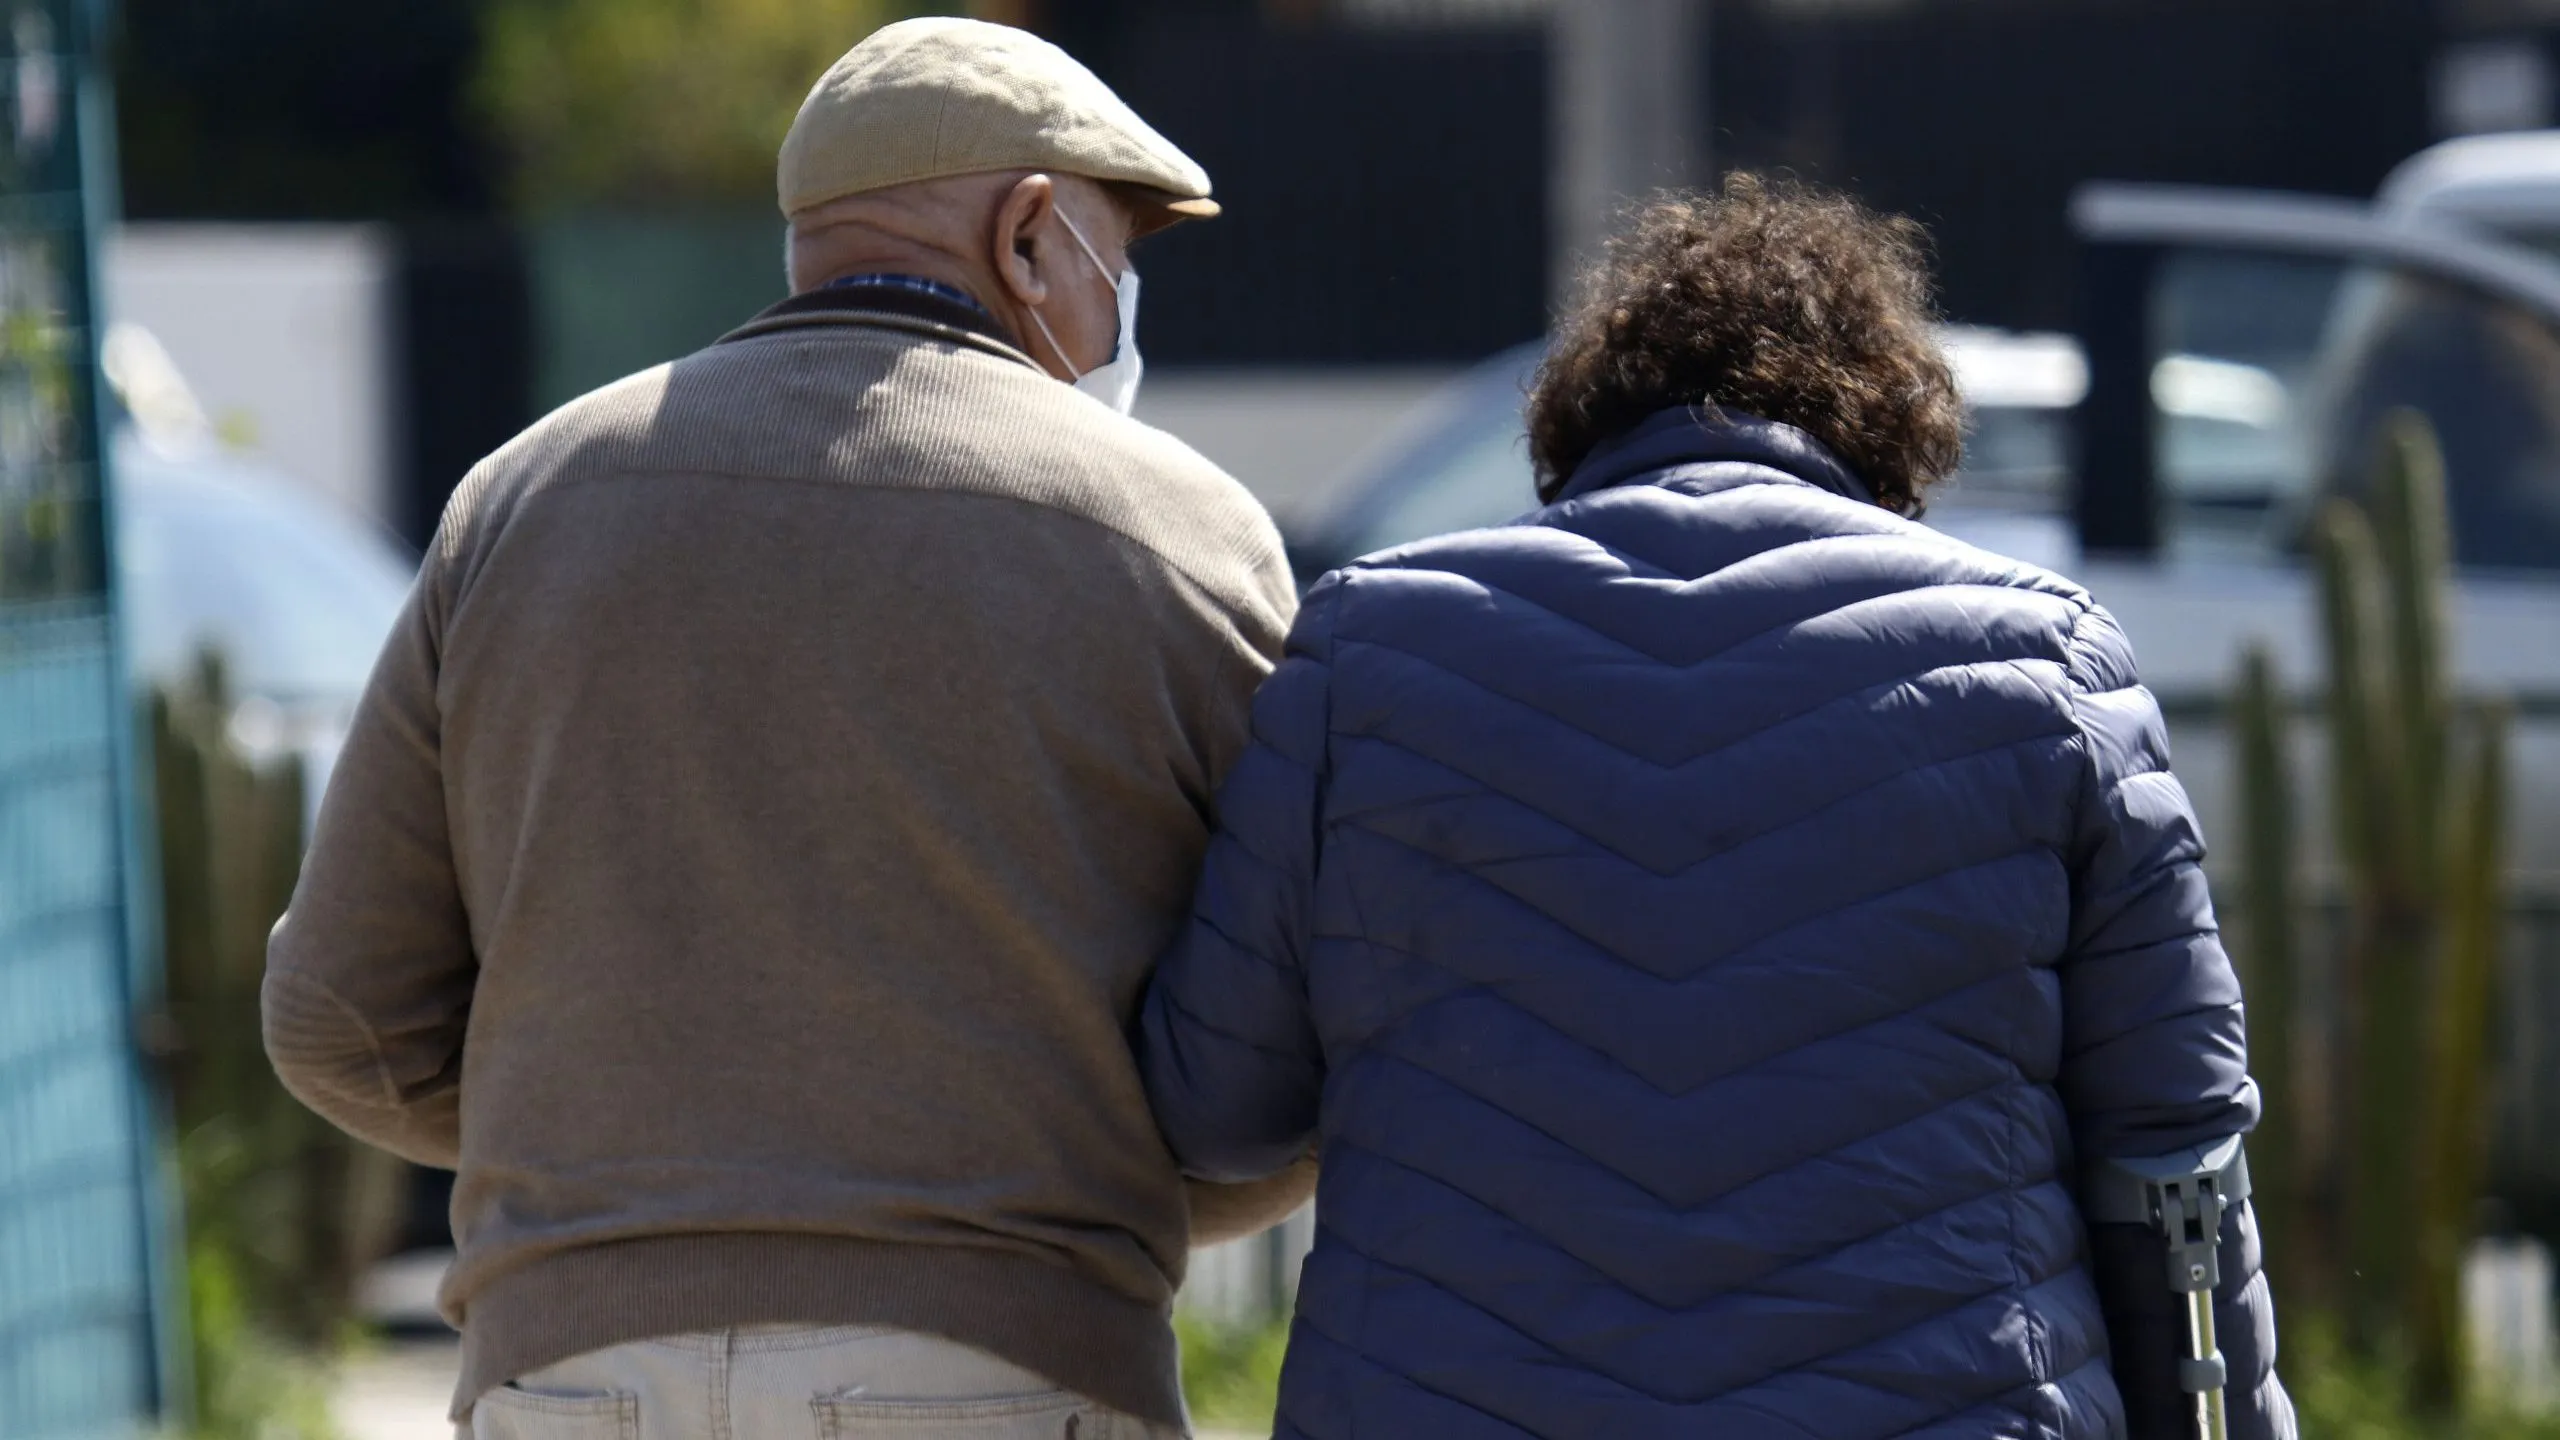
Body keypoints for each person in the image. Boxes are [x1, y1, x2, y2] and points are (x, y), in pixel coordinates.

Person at [264, 18, 1310, 1437]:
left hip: (567, 1369)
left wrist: (621, 1147)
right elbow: (1285, 1049)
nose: (1121, 296)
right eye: (1117, 253)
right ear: (1029, 235)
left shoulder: (518, 506)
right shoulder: (1181, 534)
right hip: (1003, 1363)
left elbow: (337, 1015)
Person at [1136, 174, 2295, 1439]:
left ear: (1575, 433)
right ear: (1891, 436)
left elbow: (1219, 1110)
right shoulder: (2042, 661)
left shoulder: (1372, 643)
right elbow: (2174, 1163)